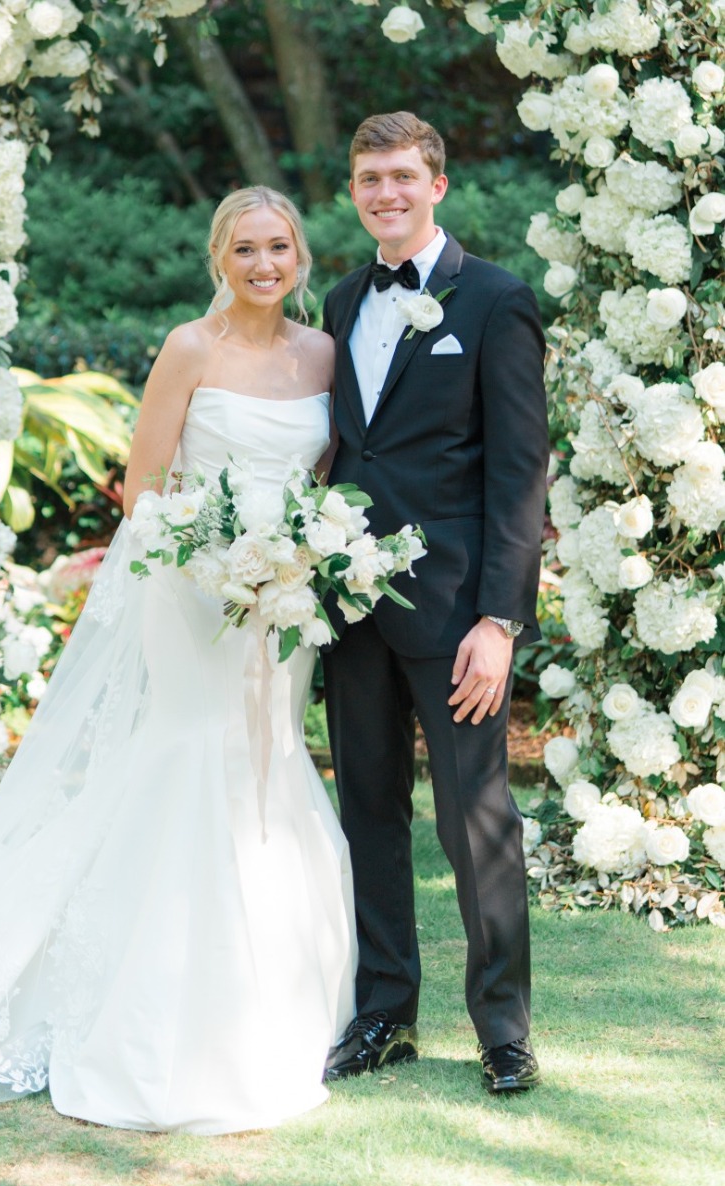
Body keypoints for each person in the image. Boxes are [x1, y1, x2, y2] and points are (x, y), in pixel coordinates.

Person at [0, 186, 356, 1134]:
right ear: (218, 258)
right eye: (246, 249)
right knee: (194, 751)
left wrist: (295, 564)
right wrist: (217, 567)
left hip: (286, 599)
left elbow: (322, 479)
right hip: (193, 589)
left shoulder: (321, 355)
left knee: (267, 755)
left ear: (301, 256)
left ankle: (277, 985)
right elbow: (146, 485)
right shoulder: (189, 348)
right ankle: (161, 1001)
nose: (264, 264)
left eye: (279, 247)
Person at [320, 113, 549, 1094]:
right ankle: (384, 1018)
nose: (388, 193)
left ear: (439, 184)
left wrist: (500, 622)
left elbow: (520, 474)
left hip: (457, 619)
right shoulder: (337, 301)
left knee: (475, 821)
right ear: (357, 190)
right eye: (371, 177)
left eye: (405, 176)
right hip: (349, 613)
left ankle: (504, 1031)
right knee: (367, 812)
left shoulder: (495, 300)